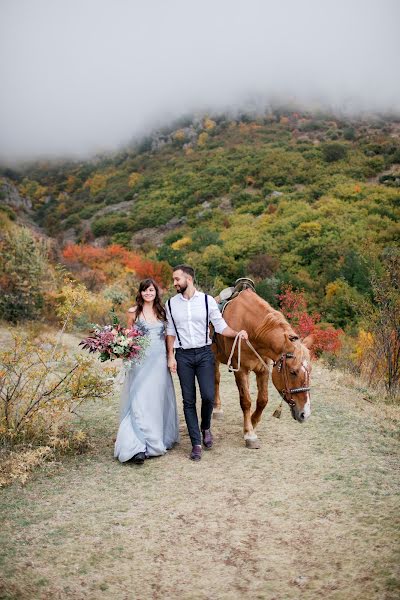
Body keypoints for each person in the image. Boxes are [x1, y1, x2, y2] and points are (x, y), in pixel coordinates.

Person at [166, 265, 248, 461]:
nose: (174, 283)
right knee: (188, 400)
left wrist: (238, 333)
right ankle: (195, 443)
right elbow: (170, 332)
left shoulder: (207, 301)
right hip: (183, 355)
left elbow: (220, 327)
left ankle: (205, 427)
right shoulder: (170, 304)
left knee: (209, 396)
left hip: (204, 353)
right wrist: (170, 356)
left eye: (177, 279)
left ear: (189, 279)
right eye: (174, 280)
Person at [114, 278, 179, 465]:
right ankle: (137, 446)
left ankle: (155, 439)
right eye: (145, 290)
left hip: (158, 361)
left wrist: (170, 356)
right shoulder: (133, 312)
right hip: (140, 361)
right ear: (140, 293)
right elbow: (128, 336)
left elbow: (169, 336)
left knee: (155, 398)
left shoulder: (162, 312)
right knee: (138, 398)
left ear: (155, 292)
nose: (148, 293)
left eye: (151, 290)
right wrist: (121, 349)